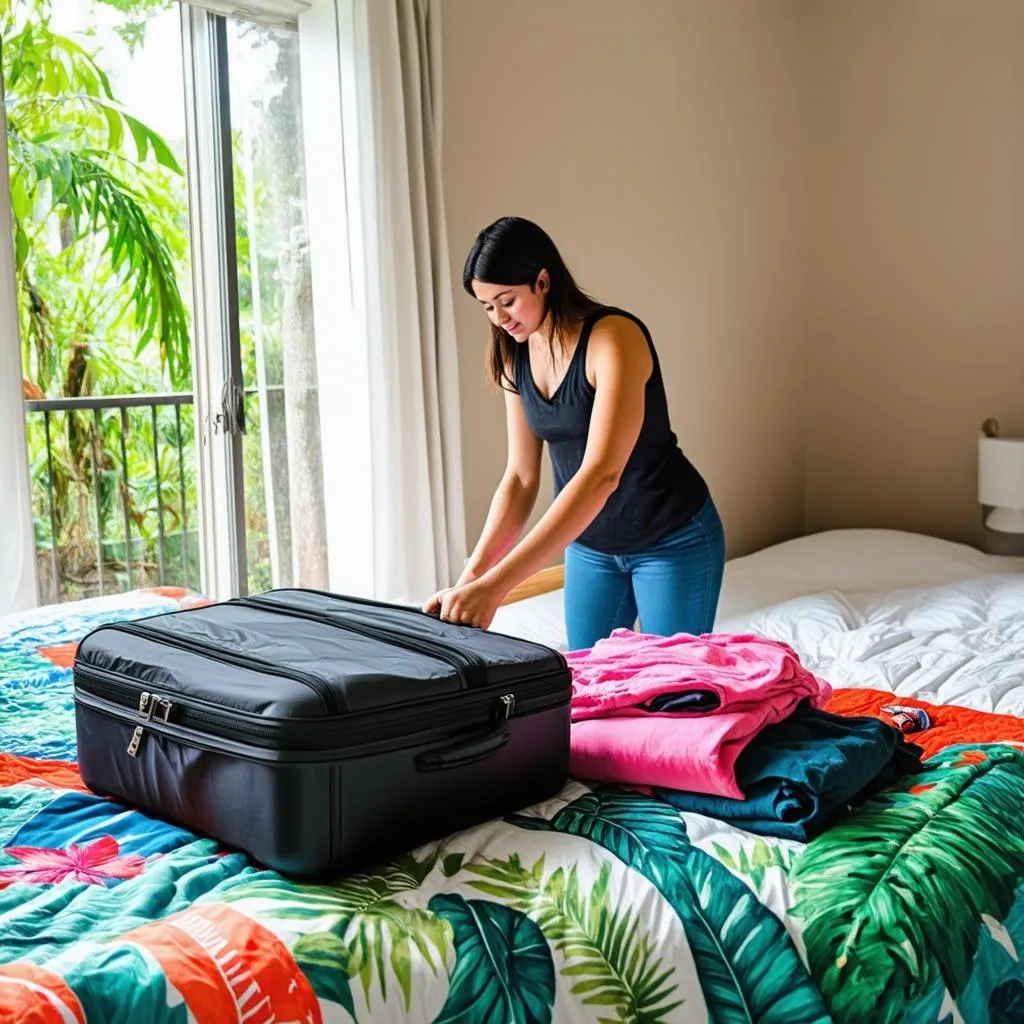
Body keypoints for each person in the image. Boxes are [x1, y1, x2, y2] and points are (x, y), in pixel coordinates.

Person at [424, 217, 725, 650]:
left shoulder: (613, 339)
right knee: (586, 686)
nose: (499, 318)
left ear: (542, 281)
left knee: (671, 693)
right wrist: (472, 578)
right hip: (591, 549)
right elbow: (521, 478)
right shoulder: (515, 355)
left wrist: (498, 587)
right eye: (487, 307)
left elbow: (602, 473)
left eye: (506, 301)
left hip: (670, 538)